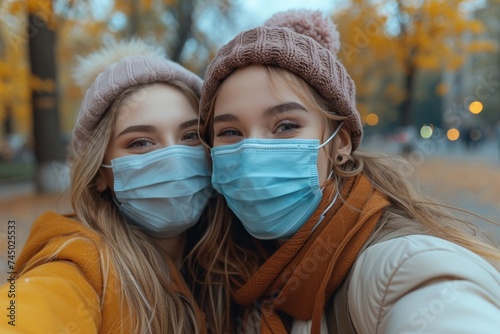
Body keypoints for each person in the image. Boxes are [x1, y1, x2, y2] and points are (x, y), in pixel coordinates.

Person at [197, 10, 500, 333]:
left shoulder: (401, 267)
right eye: (230, 132)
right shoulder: (225, 269)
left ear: (339, 142)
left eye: (286, 126)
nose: (252, 152)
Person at [0, 40, 213, 333]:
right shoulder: (81, 262)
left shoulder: (230, 259)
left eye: (190, 135)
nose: (173, 158)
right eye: (140, 142)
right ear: (100, 173)